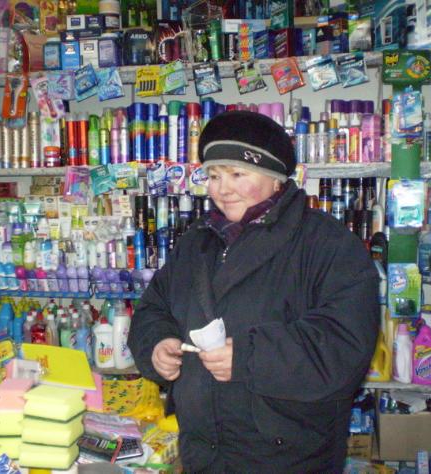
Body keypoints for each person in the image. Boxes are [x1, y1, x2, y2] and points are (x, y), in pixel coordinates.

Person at [128, 111, 379, 473]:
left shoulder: (329, 245)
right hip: (203, 453)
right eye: (214, 176)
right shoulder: (197, 241)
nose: (222, 189)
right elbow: (154, 308)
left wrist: (249, 357)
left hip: (288, 458)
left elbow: (345, 346)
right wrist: (157, 344)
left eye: (237, 174)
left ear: (276, 179)